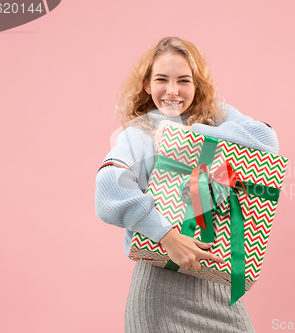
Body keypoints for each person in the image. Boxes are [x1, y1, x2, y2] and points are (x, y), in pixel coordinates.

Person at [95, 36, 279, 332]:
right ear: (146, 84)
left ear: (197, 85)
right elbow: (108, 187)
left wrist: (193, 131)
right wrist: (166, 235)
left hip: (220, 289)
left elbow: (267, 141)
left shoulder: (217, 121)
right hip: (160, 291)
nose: (172, 91)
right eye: (161, 80)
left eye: (184, 81)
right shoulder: (139, 133)